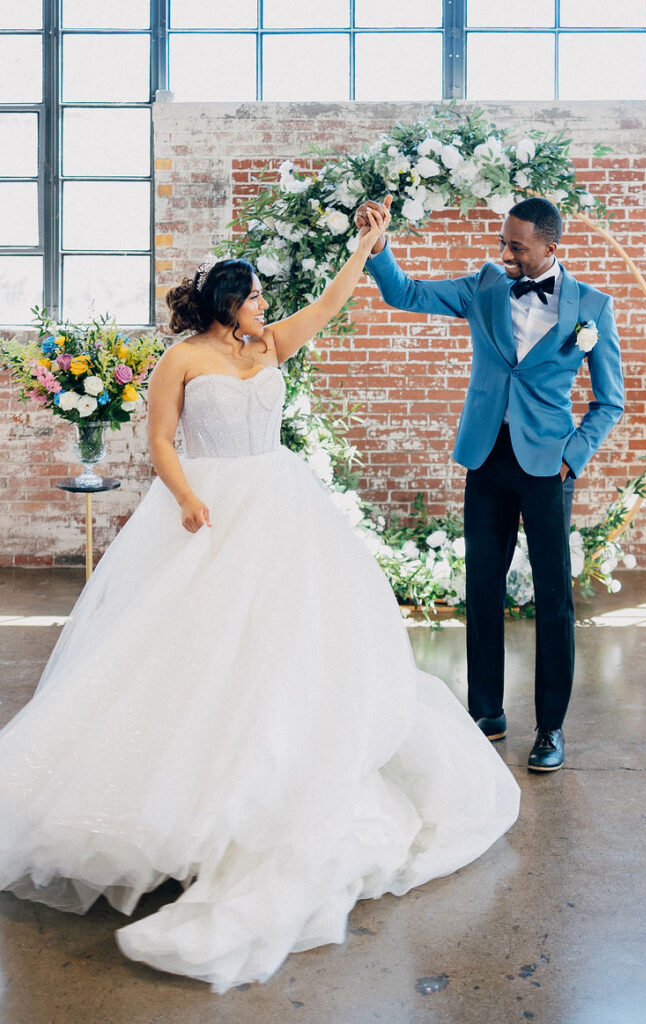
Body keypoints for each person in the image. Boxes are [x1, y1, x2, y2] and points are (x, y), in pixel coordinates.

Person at [0, 206, 519, 993]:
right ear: (225, 304)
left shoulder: (272, 345)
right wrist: (183, 499)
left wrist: (364, 247)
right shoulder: (180, 358)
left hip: (280, 506)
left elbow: (337, 301)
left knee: (289, 643)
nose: (265, 310)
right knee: (184, 649)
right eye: (253, 301)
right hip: (206, 509)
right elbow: (163, 440)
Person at [356, 194, 624, 773]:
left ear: (552, 246)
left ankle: (550, 728)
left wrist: (571, 457)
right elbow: (406, 293)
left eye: (517, 246)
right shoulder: (484, 286)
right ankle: (486, 713)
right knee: (481, 588)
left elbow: (610, 400)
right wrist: (379, 244)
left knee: (554, 600)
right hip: (486, 458)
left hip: (548, 466)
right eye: (502, 242)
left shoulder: (594, 309)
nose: (504, 253)